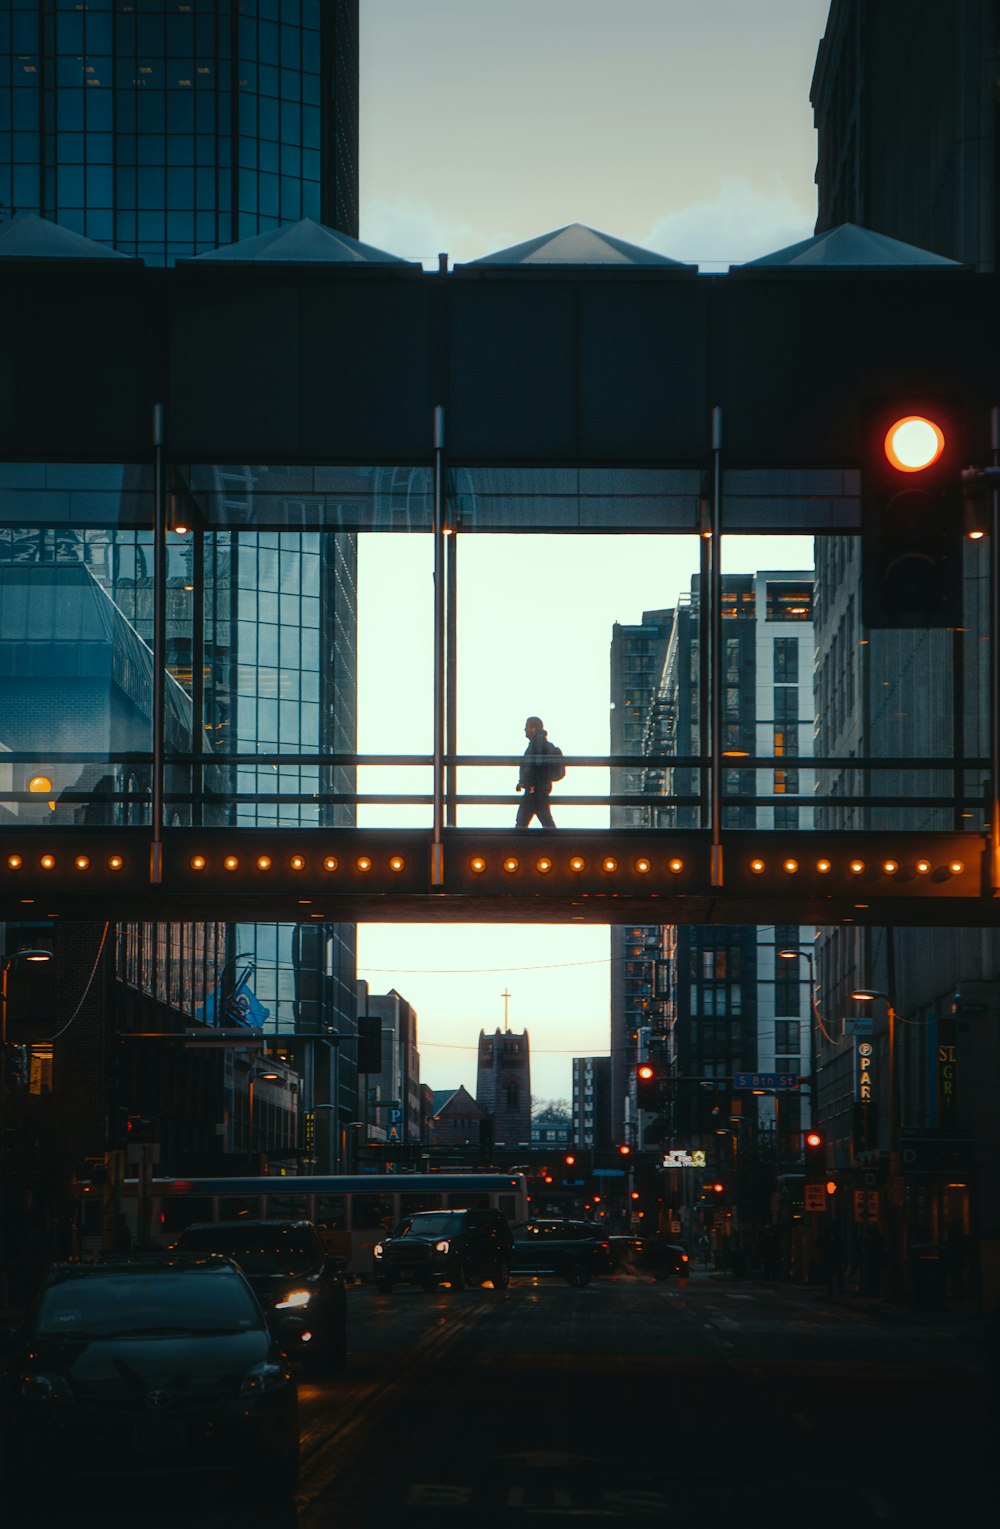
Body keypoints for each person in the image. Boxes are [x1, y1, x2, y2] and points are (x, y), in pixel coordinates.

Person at [515, 715, 558, 828]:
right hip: (540, 790)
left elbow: (534, 766)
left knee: (521, 823)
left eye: (527, 727)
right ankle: (559, 844)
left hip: (533, 791)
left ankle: (515, 845)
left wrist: (526, 782)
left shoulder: (536, 745)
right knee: (546, 821)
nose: (525, 729)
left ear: (533, 728)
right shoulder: (542, 744)